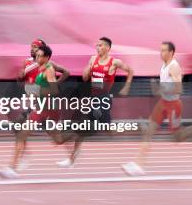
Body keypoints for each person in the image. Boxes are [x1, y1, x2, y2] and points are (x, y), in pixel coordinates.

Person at [122, 42, 192, 176]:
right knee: (148, 132)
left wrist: (162, 88)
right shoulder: (163, 66)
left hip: (173, 107)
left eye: (164, 51)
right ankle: (138, 164)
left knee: (178, 138)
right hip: (162, 103)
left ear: (171, 52)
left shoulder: (174, 67)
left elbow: (179, 89)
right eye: (160, 50)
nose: (161, 53)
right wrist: (156, 87)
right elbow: (161, 92)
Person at [0, 44, 74, 179]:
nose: (37, 57)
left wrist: (36, 91)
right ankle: (12, 168)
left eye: (40, 56)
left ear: (47, 57)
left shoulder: (49, 69)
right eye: (36, 55)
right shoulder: (40, 67)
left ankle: (12, 168)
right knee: (47, 138)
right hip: (41, 107)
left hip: (48, 108)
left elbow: (54, 90)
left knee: (49, 138)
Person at [57, 36, 134, 168]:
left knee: (108, 130)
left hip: (103, 99)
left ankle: (134, 130)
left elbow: (130, 71)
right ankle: (72, 158)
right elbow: (85, 77)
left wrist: (126, 87)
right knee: (82, 125)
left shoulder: (114, 62)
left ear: (108, 48)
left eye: (101, 45)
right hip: (92, 98)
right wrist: (87, 70)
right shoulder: (93, 59)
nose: (98, 48)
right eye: (97, 45)